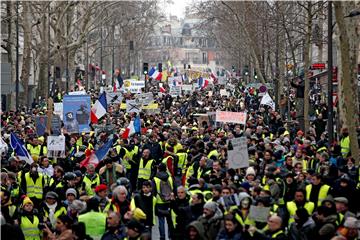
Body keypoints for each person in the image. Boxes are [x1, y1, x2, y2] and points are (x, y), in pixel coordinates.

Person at [152, 163, 174, 240]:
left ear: (158, 169)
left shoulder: (155, 179)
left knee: (161, 221)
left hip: (159, 202)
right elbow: (173, 188)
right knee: (170, 220)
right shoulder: (170, 178)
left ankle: (162, 237)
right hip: (169, 201)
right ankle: (170, 236)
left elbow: (153, 192)